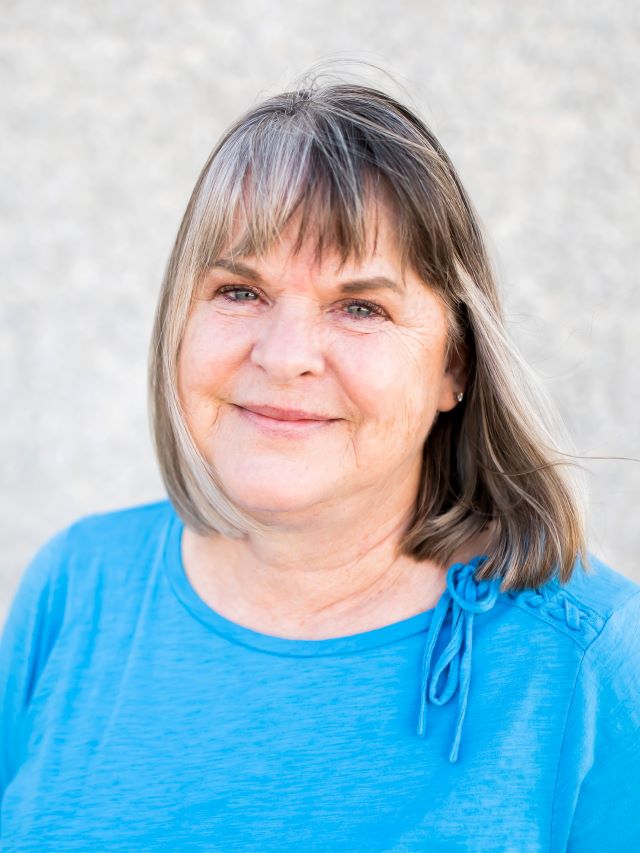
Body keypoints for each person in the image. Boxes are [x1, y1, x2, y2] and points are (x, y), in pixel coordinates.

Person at [1, 72, 639, 852]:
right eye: (240, 291)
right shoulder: (77, 588)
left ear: (456, 365)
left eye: (361, 306)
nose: (285, 355)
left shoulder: (588, 658)